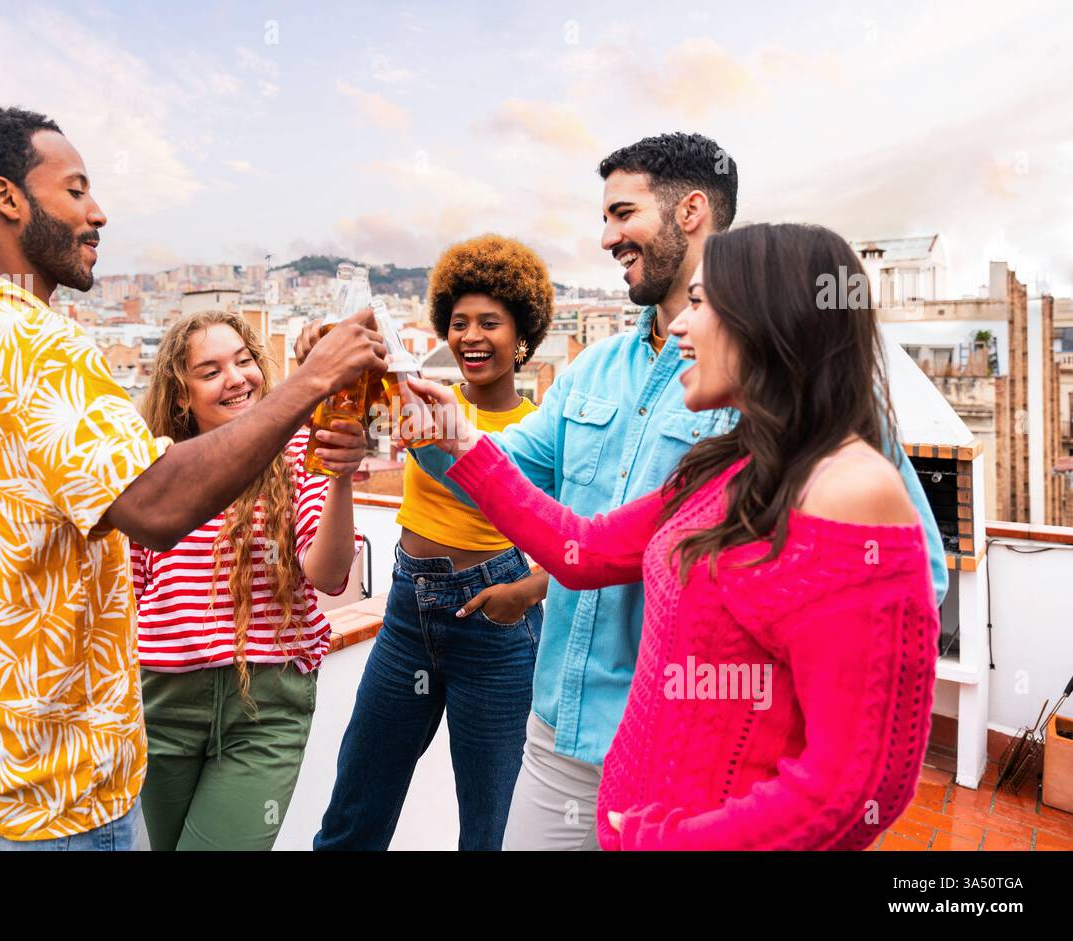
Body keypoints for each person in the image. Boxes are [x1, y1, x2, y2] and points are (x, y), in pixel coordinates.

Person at [400, 133, 947, 849]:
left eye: (622, 212)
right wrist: (448, 435)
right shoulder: (710, 455)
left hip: (696, 809)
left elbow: (856, 772)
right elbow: (583, 547)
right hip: (581, 755)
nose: (605, 237)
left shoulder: (845, 476)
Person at [0, 105, 385, 850]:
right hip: (56, 793)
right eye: (76, 191)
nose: (99, 213)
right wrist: (309, 380)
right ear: (7, 199)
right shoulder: (35, 343)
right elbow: (154, 504)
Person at [310, 235, 553, 850]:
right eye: (459, 322)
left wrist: (524, 592)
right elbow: (345, 415)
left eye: (489, 323)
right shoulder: (419, 402)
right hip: (405, 618)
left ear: (521, 334)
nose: (471, 336)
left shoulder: (537, 428)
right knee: (353, 813)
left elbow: (572, 535)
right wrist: (322, 351)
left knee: (489, 828)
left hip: (492, 628)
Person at [133, 311, 365, 850]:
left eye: (243, 362)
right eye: (210, 371)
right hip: (161, 705)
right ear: (181, 395)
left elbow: (329, 575)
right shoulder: (156, 468)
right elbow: (131, 592)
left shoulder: (298, 455)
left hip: (265, 707)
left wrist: (342, 479)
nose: (236, 378)